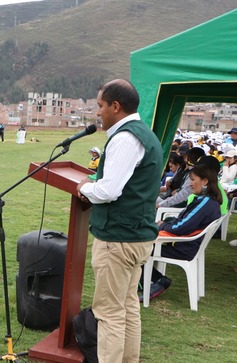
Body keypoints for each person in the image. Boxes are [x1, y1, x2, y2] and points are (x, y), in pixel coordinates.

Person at [76, 79, 163, 363]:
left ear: (116, 106)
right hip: (135, 236)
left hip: (119, 239)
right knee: (126, 307)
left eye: (100, 106)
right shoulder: (143, 133)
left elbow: (108, 190)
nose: (97, 112)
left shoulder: (125, 138)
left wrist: (83, 188)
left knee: (109, 313)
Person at [141, 163, 222, 302]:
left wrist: (162, 226)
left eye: (192, 179)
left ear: (205, 181)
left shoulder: (206, 203)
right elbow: (183, 221)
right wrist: (166, 224)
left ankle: (158, 281)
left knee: (139, 247)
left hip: (183, 248)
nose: (190, 184)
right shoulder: (207, 201)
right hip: (186, 245)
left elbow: (181, 227)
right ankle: (148, 281)